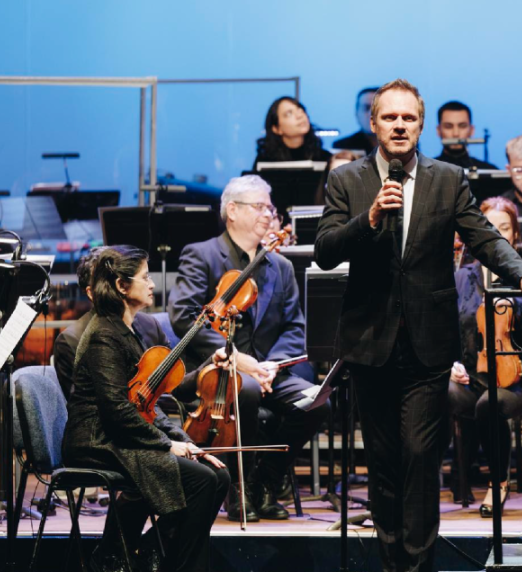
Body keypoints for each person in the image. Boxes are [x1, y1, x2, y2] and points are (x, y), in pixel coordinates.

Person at [315, 78, 522, 572]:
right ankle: (393, 564)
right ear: (375, 124)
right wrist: (370, 220)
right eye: (390, 117)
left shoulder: (448, 178)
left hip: (428, 345)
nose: (400, 125)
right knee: (383, 464)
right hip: (369, 343)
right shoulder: (347, 180)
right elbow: (324, 252)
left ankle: (419, 567)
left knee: (421, 457)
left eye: (409, 118)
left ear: (420, 125)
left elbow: (484, 237)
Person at [168, 175, 328, 523]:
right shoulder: (203, 255)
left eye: (269, 208)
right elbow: (183, 316)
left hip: (267, 371)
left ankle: (264, 483)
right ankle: (235, 490)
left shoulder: (280, 266)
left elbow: (294, 325)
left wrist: (270, 365)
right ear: (232, 211)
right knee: (248, 389)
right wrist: (242, 362)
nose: (268, 214)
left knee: (318, 401)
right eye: (259, 207)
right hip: (216, 370)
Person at [62, 246, 230, 572]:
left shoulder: (133, 330)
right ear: (122, 286)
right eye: (145, 277)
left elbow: (150, 407)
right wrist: (168, 445)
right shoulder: (104, 336)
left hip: (120, 433)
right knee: (201, 481)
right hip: (96, 439)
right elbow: (116, 411)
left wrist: (185, 442)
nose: (152, 284)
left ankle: (152, 552)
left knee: (218, 475)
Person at [448, 197, 522, 517]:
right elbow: (447, 329)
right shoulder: (463, 278)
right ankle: (440, 475)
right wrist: (452, 365)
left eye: (504, 229)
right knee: (437, 390)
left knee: (488, 404)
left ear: (515, 236)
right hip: (475, 373)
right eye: (489, 228)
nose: (497, 235)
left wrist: (513, 300)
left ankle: (497, 482)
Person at [53, 247, 170, 400]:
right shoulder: (71, 341)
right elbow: (92, 405)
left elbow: (173, 382)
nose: (152, 284)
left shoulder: (149, 324)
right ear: (92, 293)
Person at [253, 96, 331, 169]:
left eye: (301, 110)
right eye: (289, 114)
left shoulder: (324, 157)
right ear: (276, 129)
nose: (299, 116)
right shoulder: (264, 161)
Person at [435, 101, 496, 170]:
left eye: (462, 126)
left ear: (471, 130)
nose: (456, 134)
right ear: (438, 130)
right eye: (448, 126)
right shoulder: (426, 171)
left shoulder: (489, 170)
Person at [333, 87, 379, 154]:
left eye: (377, 108)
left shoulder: (398, 143)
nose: (371, 114)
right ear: (357, 114)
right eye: (366, 108)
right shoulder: (343, 146)